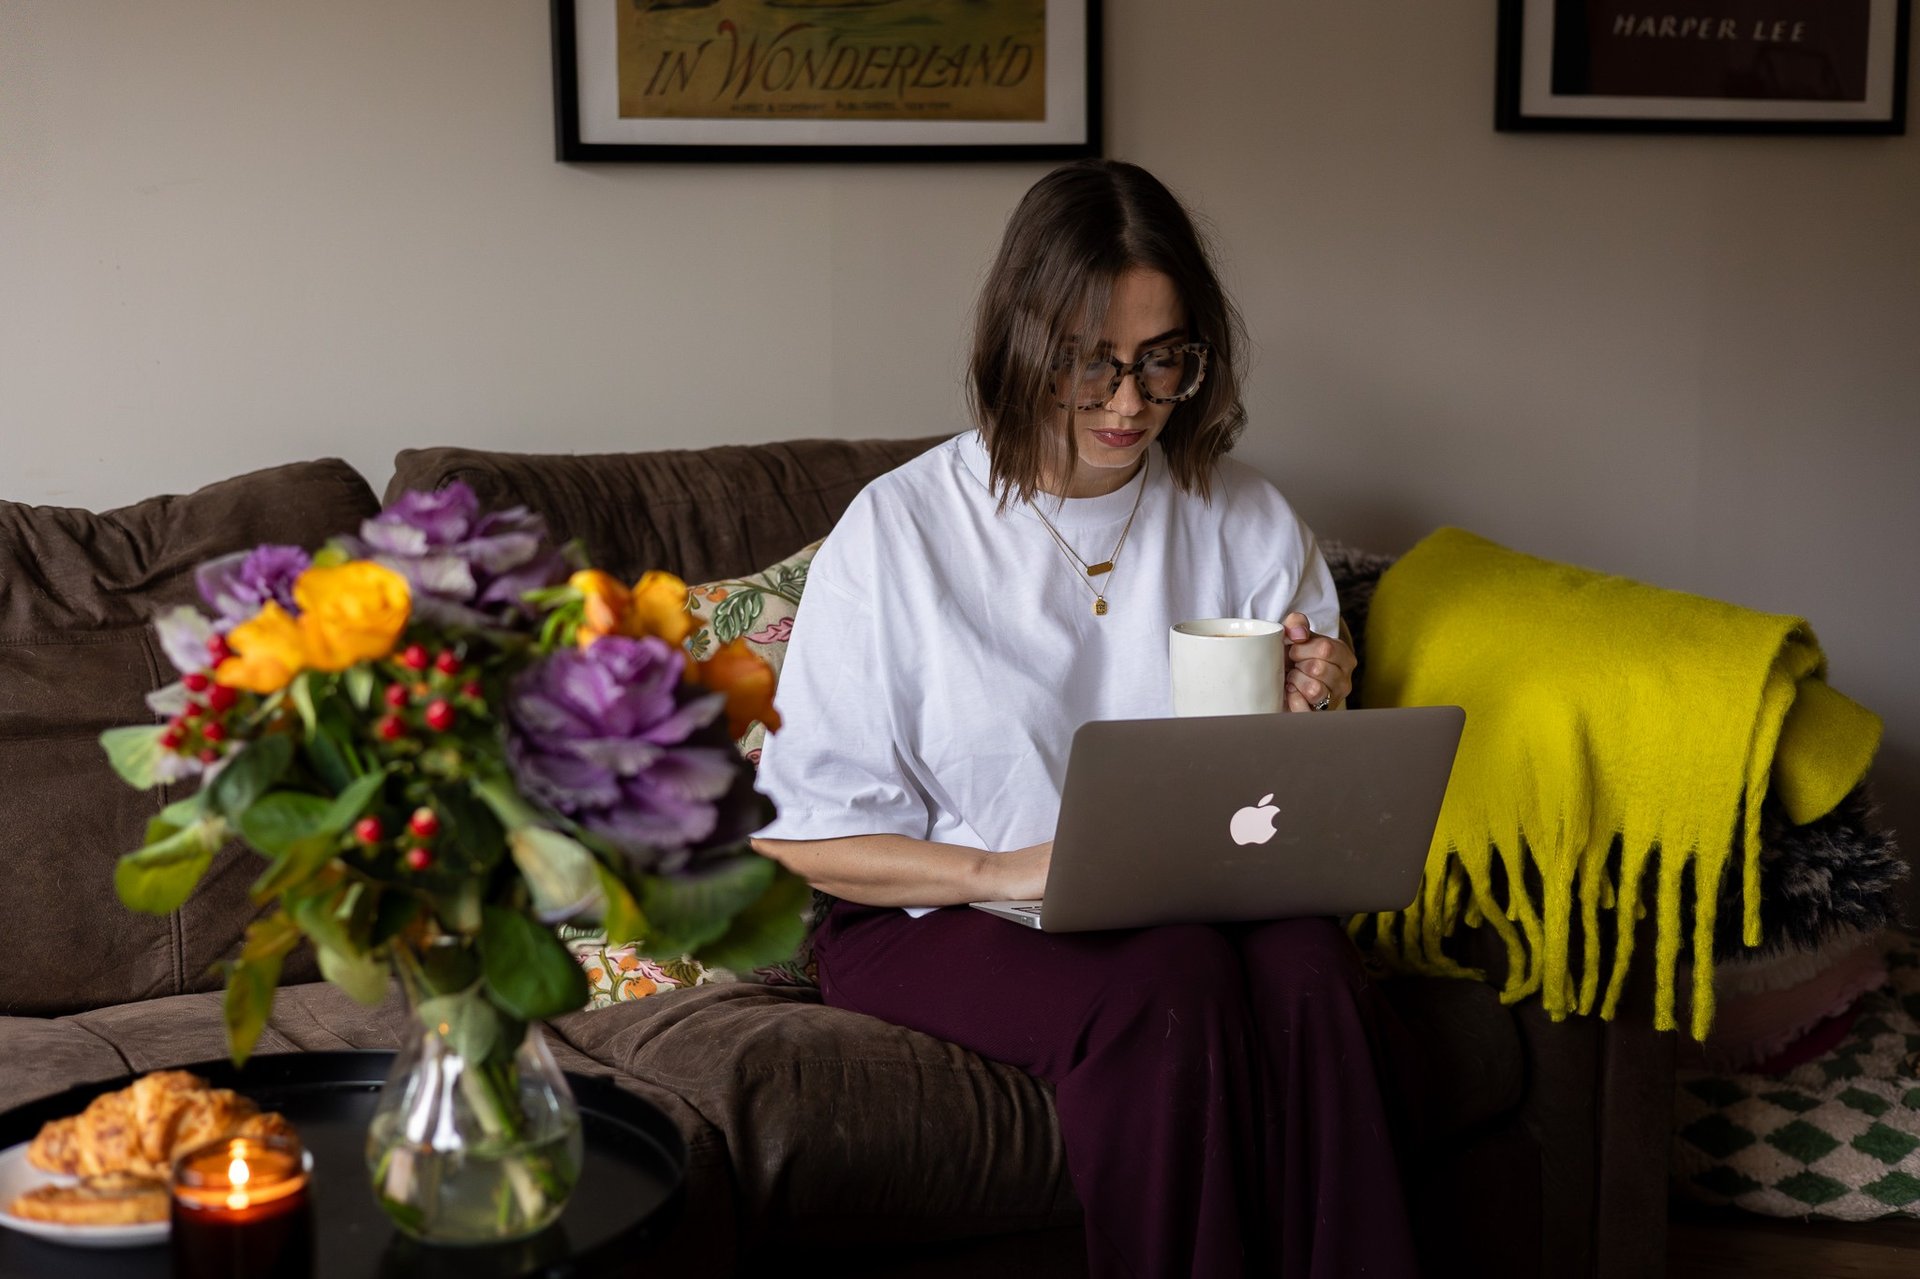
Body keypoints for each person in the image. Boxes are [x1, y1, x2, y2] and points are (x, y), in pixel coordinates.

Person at [752, 158, 1418, 1279]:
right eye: (1089, 363)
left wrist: (1317, 704)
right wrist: (1009, 871)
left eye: (1163, 361)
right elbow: (800, 832)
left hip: (1197, 901)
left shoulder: (1243, 514)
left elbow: (1279, 806)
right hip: (932, 914)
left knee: (1311, 973)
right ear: (1020, 343)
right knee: (1171, 985)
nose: (1127, 403)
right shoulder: (901, 531)